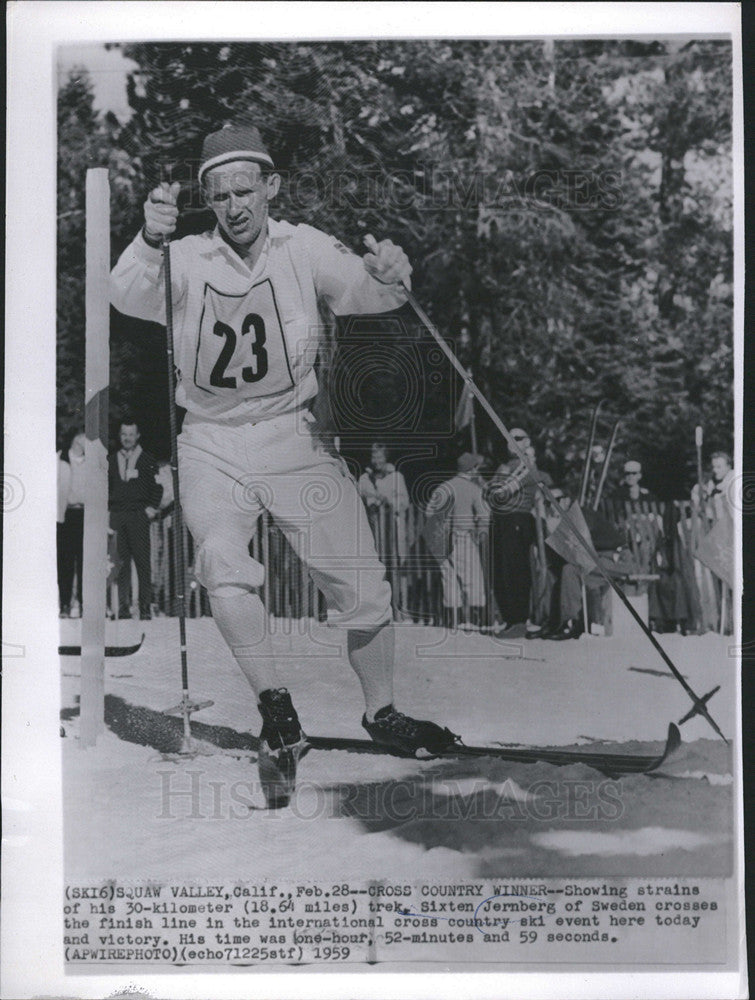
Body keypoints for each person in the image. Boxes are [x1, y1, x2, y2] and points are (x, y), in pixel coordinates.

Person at [110, 121, 456, 796]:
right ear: (206, 201)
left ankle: (382, 711)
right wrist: (150, 238)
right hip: (210, 438)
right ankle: (276, 710)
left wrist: (392, 274)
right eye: (218, 196)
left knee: (361, 580)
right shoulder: (186, 255)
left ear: (270, 187)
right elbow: (127, 293)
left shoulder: (302, 246)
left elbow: (367, 293)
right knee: (220, 563)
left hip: (291, 436)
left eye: (244, 190)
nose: (234, 207)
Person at [484, 429, 552, 635]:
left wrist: (494, 486)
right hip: (501, 520)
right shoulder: (507, 465)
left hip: (517, 519)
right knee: (501, 570)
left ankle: (519, 619)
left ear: (527, 442)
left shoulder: (526, 465)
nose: (511, 443)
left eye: (518, 438)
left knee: (515, 569)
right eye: (508, 438)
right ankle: (509, 618)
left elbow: (500, 492)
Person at [426, 453, 489, 630]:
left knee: (449, 578)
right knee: (472, 577)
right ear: (473, 469)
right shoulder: (473, 489)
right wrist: (481, 533)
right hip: (463, 536)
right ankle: (477, 619)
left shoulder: (444, 487)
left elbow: (429, 513)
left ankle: (453, 618)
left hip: (440, 538)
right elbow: (484, 516)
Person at [108, 419, 163, 620]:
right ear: (120, 436)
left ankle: (145, 608)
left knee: (142, 563)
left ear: (137, 436)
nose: (127, 438)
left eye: (131, 434)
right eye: (124, 434)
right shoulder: (111, 460)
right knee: (120, 563)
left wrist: (150, 509)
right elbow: (105, 488)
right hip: (118, 516)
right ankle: (123, 608)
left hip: (139, 516)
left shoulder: (147, 460)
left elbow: (158, 487)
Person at [57, 428, 87, 617]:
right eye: (85, 439)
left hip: (85, 515)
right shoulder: (61, 461)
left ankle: (84, 604)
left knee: (84, 563)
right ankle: (65, 605)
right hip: (66, 516)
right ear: (76, 440)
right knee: (65, 562)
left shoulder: (92, 463)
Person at [692, 451, 735, 519]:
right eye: (713, 467)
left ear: (728, 466)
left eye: (719, 467)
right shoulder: (712, 482)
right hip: (715, 520)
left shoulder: (734, 481)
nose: (715, 470)